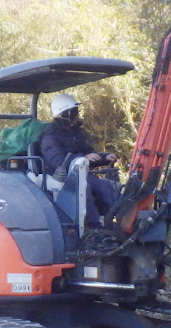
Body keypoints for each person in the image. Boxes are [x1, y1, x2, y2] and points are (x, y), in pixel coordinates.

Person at [40, 93, 119, 229]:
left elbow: (89, 154)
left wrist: (104, 157)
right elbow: (58, 162)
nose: (77, 115)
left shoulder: (76, 133)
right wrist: (82, 158)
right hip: (60, 176)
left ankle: (121, 220)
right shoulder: (50, 137)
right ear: (65, 115)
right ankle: (96, 228)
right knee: (85, 187)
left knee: (106, 186)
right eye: (74, 112)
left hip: (79, 173)